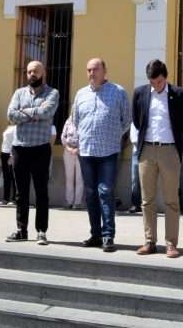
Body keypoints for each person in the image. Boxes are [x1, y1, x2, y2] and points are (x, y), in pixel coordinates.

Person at [132, 60, 183, 258]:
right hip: (146, 151)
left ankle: (171, 244)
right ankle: (150, 241)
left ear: (165, 77)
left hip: (170, 151)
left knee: (171, 200)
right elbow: (136, 119)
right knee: (147, 200)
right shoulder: (140, 93)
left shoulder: (180, 94)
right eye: (152, 82)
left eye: (158, 82)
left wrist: (169, 139)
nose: (155, 86)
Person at [73, 58, 131, 253]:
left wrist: (111, 136)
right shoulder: (81, 94)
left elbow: (127, 120)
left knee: (105, 192)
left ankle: (108, 236)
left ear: (105, 70)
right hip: (86, 151)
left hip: (108, 151)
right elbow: (77, 120)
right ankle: (95, 234)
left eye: (95, 69)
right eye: (88, 69)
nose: (91, 73)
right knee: (90, 194)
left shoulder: (118, 92)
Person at [5, 61, 59, 245]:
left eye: (35, 71)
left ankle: (41, 231)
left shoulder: (52, 93)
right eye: (29, 71)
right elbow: (10, 115)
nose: (32, 74)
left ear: (43, 72)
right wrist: (33, 114)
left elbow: (46, 112)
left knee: (41, 191)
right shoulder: (19, 93)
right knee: (20, 192)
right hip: (19, 147)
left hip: (40, 148)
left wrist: (24, 112)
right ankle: (21, 230)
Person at [61, 106, 83, 209]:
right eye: (74, 109)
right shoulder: (68, 122)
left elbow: (86, 137)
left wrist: (78, 149)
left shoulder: (83, 121)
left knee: (79, 178)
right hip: (68, 151)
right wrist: (69, 148)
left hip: (81, 152)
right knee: (69, 177)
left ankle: (77, 202)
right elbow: (63, 136)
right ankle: (69, 201)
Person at [0, 123, 17, 206]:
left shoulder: (17, 127)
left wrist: (12, 156)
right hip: (4, 153)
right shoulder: (9, 126)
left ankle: (15, 199)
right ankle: (5, 198)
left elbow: (15, 141)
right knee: (6, 177)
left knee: (13, 177)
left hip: (11, 153)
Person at [127, 124, 142, 213]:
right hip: (136, 151)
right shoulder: (135, 121)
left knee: (148, 180)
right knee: (135, 179)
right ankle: (135, 204)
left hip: (149, 152)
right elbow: (134, 138)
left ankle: (147, 204)